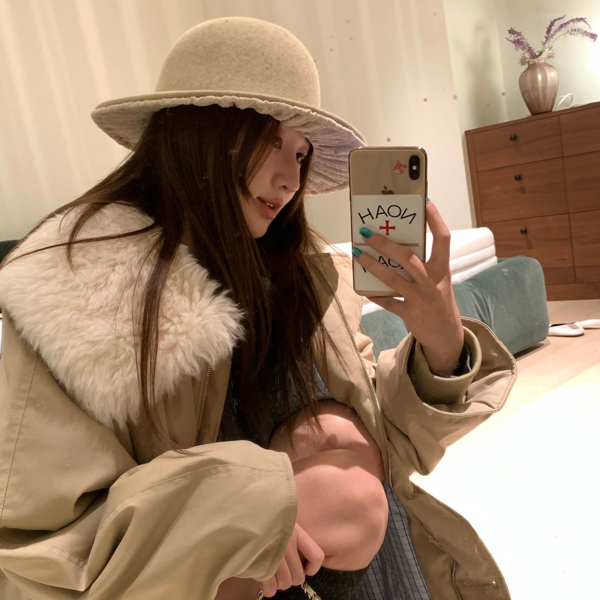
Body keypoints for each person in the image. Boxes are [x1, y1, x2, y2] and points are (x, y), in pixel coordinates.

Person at [0, 16, 516, 600]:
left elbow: (386, 451)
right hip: (192, 581)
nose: (290, 179)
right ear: (198, 129)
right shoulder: (76, 290)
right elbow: (43, 548)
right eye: (271, 140)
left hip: (349, 566)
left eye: (301, 153)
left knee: (338, 439)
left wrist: (442, 346)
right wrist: (242, 520)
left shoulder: (299, 274)